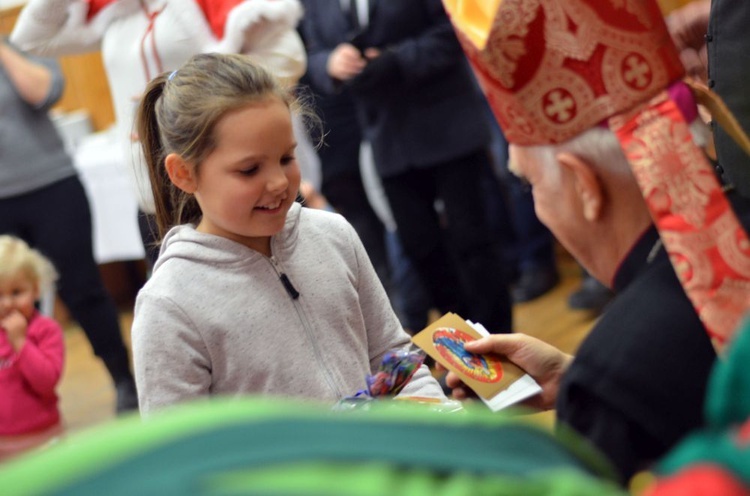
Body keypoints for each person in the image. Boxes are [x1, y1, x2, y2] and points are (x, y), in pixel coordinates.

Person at [442, 0, 750, 485]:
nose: (538, 207)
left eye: (531, 186)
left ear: (584, 186)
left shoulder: (612, 384)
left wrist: (596, 385)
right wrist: (574, 376)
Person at [131, 52, 446, 414]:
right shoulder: (170, 305)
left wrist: (435, 422)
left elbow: (393, 358)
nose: (280, 182)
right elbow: (180, 456)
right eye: (249, 170)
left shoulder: (334, 234)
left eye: (286, 158)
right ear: (184, 173)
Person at [10, 0, 307, 270]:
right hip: (153, 195)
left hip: (232, 188)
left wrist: (192, 110)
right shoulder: (117, 11)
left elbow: (286, 59)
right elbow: (31, 38)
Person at [299, 0, 513, 334]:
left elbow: (453, 31)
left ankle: (500, 345)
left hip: (446, 125)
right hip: (387, 138)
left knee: (473, 242)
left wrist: (396, 60)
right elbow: (313, 55)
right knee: (422, 249)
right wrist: (331, 63)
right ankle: (465, 355)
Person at [0, 40, 137, 412]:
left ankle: (123, 380)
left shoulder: (26, 39)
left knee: (84, 290)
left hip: (53, 186)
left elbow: (44, 92)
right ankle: (16, 399)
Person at [0, 236, 65, 461]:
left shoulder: (46, 330)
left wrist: (20, 343)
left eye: (16, 292)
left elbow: (46, 382)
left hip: (46, 438)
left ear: (35, 289)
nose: (7, 303)